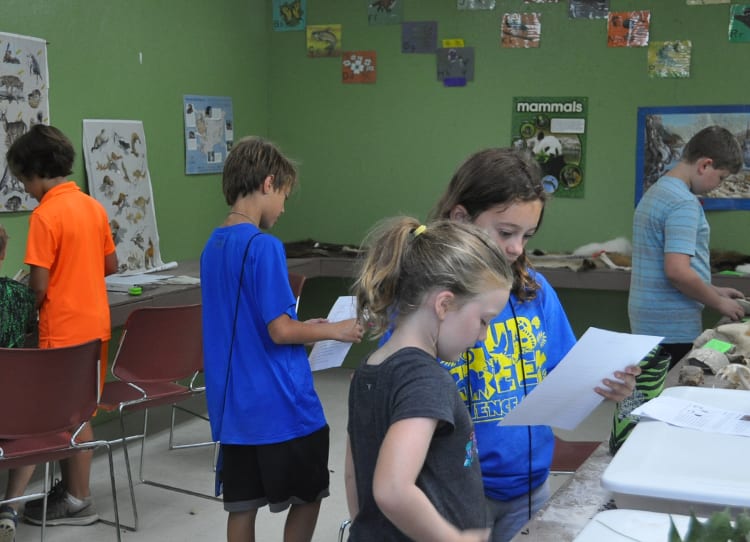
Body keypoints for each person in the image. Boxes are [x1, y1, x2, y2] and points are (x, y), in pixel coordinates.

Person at [430, 148, 640, 542]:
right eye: (505, 232)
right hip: (451, 491)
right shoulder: (427, 300)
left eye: (527, 236)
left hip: (528, 484)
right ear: (460, 219)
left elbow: (566, 371)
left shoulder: (534, 291)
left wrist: (608, 381)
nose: (516, 248)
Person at [200, 135, 363, 542]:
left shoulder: (213, 245)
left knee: (242, 505)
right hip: (281, 406)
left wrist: (305, 324)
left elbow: (260, 323)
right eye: (285, 195)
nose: (284, 207)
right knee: (309, 495)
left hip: (235, 410)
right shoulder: (264, 246)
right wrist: (334, 329)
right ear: (268, 183)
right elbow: (280, 331)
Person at [345, 217, 514, 542]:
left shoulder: (368, 367)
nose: (483, 336)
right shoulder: (425, 379)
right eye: (483, 321)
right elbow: (392, 489)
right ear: (445, 304)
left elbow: (354, 474)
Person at [3, 124, 118, 530]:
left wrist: (22, 308)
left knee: (65, 417)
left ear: (35, 171)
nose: (27, 189)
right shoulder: (93, 207)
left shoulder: (45, 215)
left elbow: (38, 286)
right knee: (81, 412)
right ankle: (73, 492)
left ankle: (75, 498)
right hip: (96, 328)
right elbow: (110, 266)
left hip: (62, 332)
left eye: (24, 181)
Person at [629, 125, 746, 369]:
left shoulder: (657, 191)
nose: (719, 185)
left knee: (649, 389)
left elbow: (670, 266)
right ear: (705, 165)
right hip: (672, 326)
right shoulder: (684, 203)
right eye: (721, 177)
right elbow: (678, 272)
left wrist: (713, 289)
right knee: (671, 395)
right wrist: (719, 303)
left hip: (649, 320)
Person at [0, 224, 37, 542]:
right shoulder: (20, 296)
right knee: (39, 420)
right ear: (2, 255)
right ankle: (9, 506)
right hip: (13, 411)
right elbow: (29, 327)